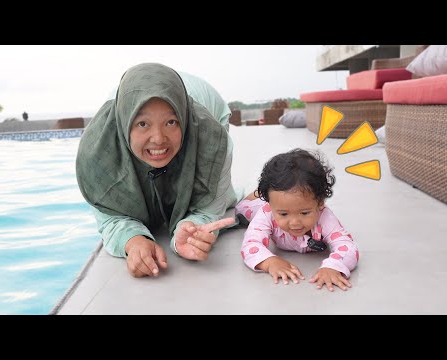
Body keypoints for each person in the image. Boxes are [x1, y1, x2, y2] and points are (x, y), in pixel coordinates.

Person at [76, 63, 239, 278]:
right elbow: (110, 216)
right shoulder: (96, 154)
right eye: (143, 124)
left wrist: (192, 227)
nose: (159, 138)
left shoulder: (212, 137)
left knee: (211, 191)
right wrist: (133, 241)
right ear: (125, 122)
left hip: (207, 102)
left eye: (171, 122)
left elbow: (209, 207)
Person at [235, 149, 359, 291]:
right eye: (283, 214)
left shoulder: (324, 216)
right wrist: (269, 262)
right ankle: (254, 196)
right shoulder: (266, 212)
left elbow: (347, 246)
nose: (294, 222)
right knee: (242, 209)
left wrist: (333, 266)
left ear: (320, 202)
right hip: (256, 208)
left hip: (279, 204)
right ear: (270, 204)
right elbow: (250, 244)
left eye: (304, 213)